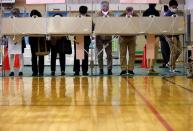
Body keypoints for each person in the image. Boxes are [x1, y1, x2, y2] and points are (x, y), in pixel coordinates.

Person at [96, 0, 113, 75]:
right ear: (101, 7)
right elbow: (95, 23)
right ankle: (101, 69)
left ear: (108, 6)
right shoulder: (97, 14)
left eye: (106, 6)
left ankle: (109, 69)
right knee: (100, 54)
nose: (105, 7)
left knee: (109, 54)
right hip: (99, 36)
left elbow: (114, 23)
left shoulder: (111, 14)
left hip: (108, 37)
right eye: (103, 6)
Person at [165, 0, 182, 72]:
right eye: (173, 7)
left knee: (179, 50)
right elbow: (164, 26)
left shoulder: (176, 14)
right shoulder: (167, 15)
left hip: (176, 35)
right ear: (170, 7)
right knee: (174, 51)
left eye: (176, 7)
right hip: (170, 35)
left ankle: (169, 63)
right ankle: (172, 67)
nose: (175, 8)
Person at [73, 6, 91, 76]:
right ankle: (77, 70)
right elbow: (74, 27)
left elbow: (92, 26)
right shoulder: (77, 17)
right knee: (78, 54)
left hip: (85, 37)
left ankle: (84, 70)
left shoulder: (89, 18)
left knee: (85, 54)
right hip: (78, 36)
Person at [119, 7, 137, 76]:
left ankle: (130, 70)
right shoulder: (121, 17)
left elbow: (138, 25)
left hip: (132, 37)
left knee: (132, 54)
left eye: (131, 11)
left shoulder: (136, 17)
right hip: (123, 37)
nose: (129, 13)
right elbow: (118, 25)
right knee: (123, 54)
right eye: (128, 11)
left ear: (133, 11)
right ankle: (123, 70)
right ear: (125, 11)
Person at [8, 8, 25, 76]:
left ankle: (20, 70)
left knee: (20, 55)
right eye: (13, 12)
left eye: (15, 12)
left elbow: (24, 30)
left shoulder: (21, 20)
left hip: (20, 38)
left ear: (18, 13)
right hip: (11, 39)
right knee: (12, 55)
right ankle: (11, 70)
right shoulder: (9, 19)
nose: (14, 14)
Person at [143, 4, 160, 75]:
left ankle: (150, 68)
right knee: (153, 52)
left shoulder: (145, 12)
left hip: (149, 34)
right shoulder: (156, 12)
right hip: (153, 33)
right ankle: (151, 68)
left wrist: (145, 35)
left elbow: (143, 24)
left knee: (150, 52)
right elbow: (159, 24)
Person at [28, 10, 46, 77]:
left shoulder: (40, 21)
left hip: (38, 40)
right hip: (37, 40)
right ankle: (39, 71)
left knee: (36, 56)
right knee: (39, 56)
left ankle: (35, 71)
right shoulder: (39, 21)